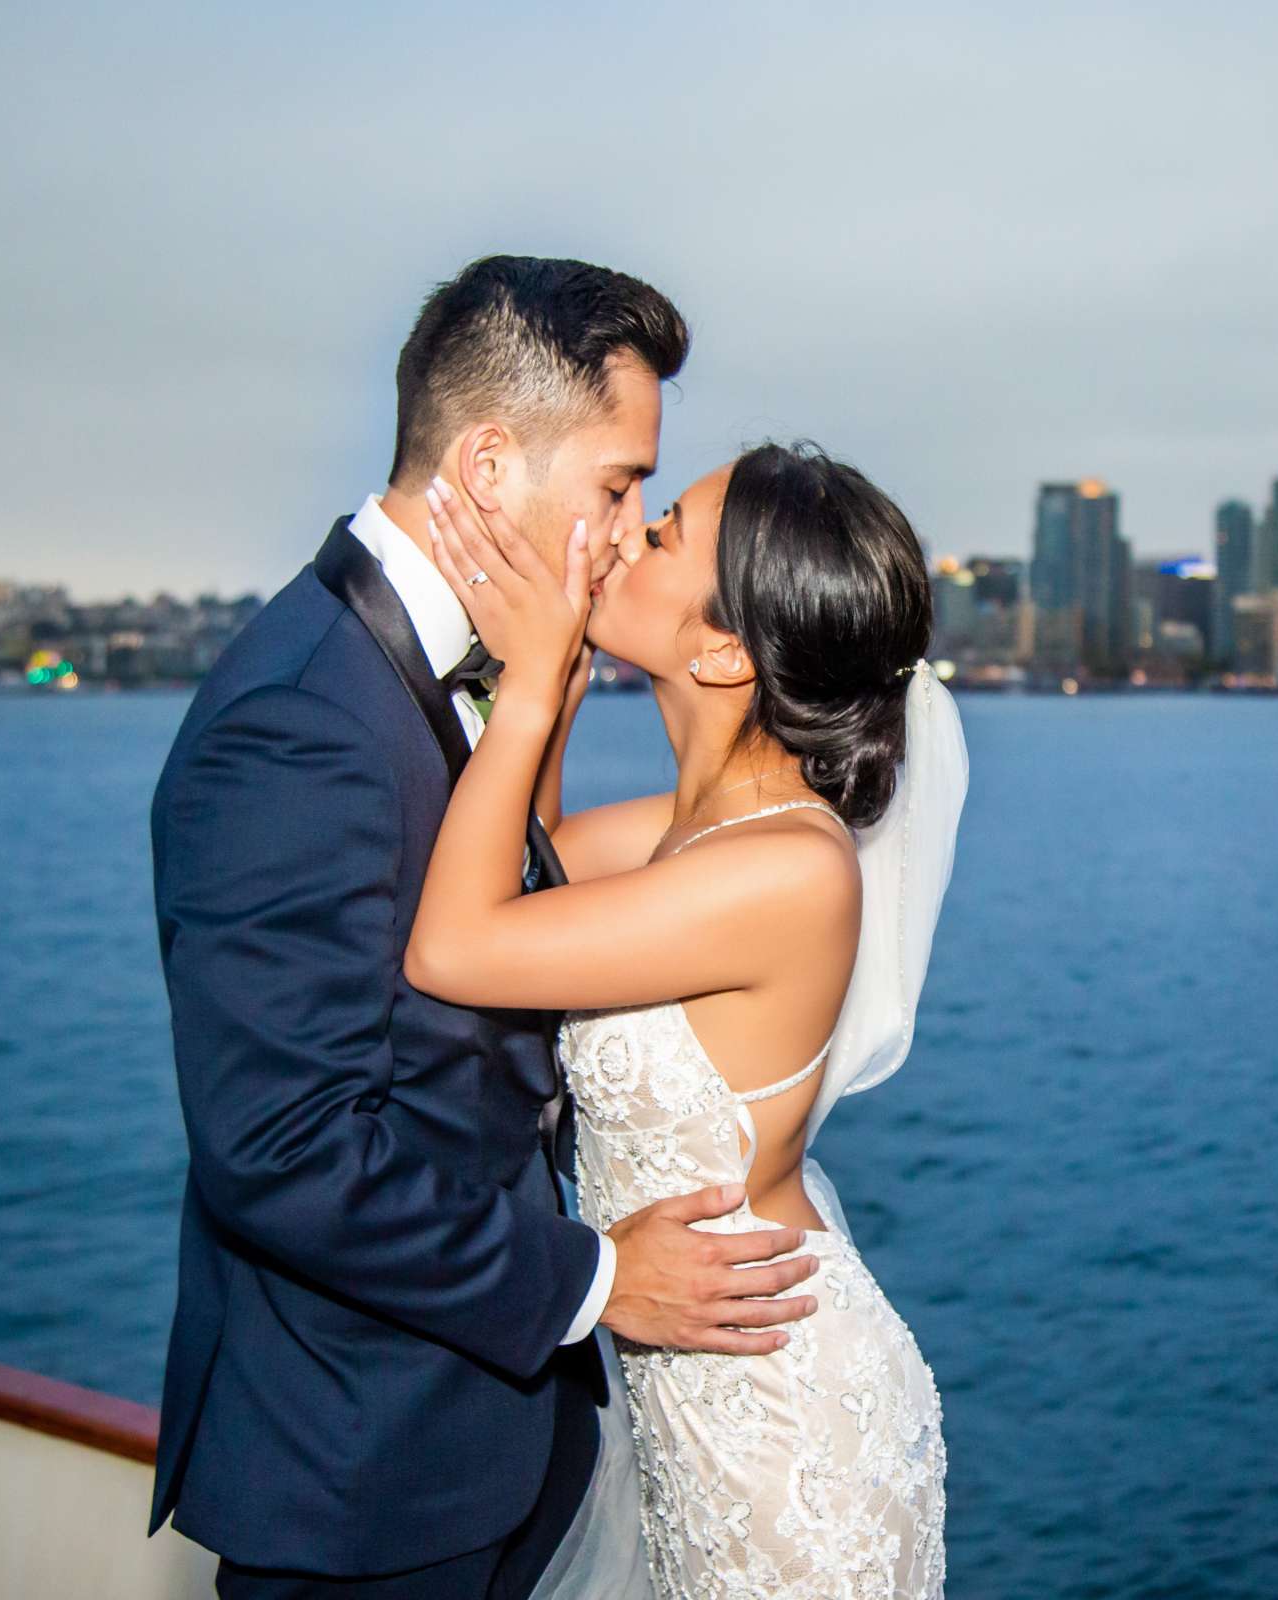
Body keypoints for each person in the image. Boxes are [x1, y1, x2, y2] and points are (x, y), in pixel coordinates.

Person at [147, 256, 826, 1600]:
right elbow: (278, 1151)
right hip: (363, 1477)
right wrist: (590, 1283)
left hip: (509, 1440)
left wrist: (539, 702)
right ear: (491, 466)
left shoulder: (495, 672)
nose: (630, 530)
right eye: (619, 485)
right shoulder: (296, 718)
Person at [405, 435, 965, 1599]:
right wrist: (538, 682)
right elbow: (521, 872)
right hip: (690, 1408)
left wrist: (532, 672)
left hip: (784, 1435)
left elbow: (453, 946)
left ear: (721, 646)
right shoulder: (696, 832)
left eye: (660, 534)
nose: (621, 532)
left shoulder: (792, 868)